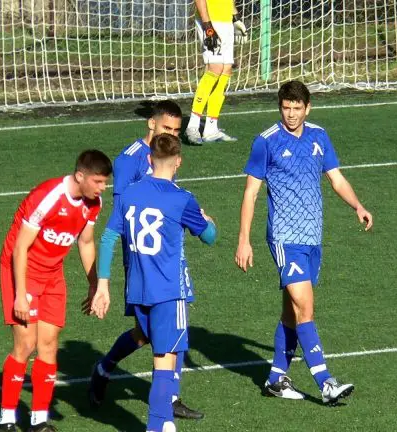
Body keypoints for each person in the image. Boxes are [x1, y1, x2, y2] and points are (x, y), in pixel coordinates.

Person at [235, 80, 373, 405]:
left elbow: (336, 178)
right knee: (305, 307)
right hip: (285, 238)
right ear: (279, 107)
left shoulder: (319, 136)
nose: (291, 114)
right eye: (286, 108)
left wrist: (358, 206)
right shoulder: (266, 141)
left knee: (291, 311)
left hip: (313, 238)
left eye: (297, 108)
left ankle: (275, 379)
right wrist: (244, 240)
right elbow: (251, 193)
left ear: (307, 108)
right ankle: (326, 383)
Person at [87, 101, 203, 420]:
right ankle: (105, 368)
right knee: (146, 333)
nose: (172, 135)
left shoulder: (167, 153)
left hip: (169, 257)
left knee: (171, 327)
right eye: (167, 128)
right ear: (151, 124)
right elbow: (121, 216)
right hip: (140, 258)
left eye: (177, 130)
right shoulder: (129, 160)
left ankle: (170, 397)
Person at [0, 150, 112, 432]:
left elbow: (85, 242)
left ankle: (38, 421)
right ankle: (6, 419)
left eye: (105, 182)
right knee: (26, 344)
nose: (103, 188)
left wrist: (95, 284)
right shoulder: (47, 197)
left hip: (52, 275)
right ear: (80, 176)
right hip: (22, 271)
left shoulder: (93, 203)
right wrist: (20, 294)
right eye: (98, 181)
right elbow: (20, 248)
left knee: (49, 345)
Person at [186, 0, 247, 143]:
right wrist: (208, 26)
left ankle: (211, 129)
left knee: (226, 70)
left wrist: (235, 18)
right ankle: (192, 126)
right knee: (215, 68)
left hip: (226, 21)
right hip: (210, 21)